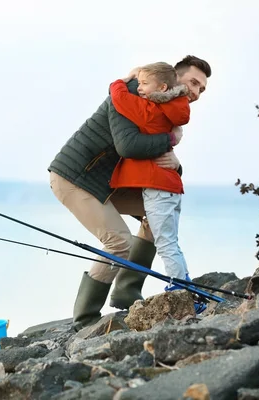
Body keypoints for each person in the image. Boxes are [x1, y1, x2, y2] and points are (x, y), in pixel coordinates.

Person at [47, 55, 211, 328]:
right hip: (75, 177)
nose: (195, 92)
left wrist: (176, 164)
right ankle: (85, 319)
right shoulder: (137, 91)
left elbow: (156, 160)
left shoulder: (166, 106)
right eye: (193, 83)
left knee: (156, 217)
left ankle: (126, 290)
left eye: (202, 89)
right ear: (172, 79)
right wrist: (170, 139)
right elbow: (129, 146)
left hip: (110, 181)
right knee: (119, 242)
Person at [107, 62, 193, 292]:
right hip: (170, 187)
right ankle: (186, 283)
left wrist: (122, 80)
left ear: (162, 88)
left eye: (145, 84)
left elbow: (120, 99)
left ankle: (180, 289)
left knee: (165, 243)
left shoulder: (150, 112)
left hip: (158, 187)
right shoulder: (173, 109)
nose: (140, 87)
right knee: (170, 241)